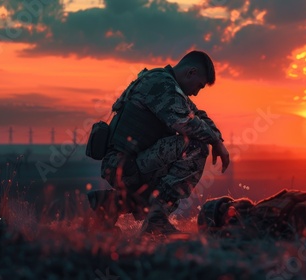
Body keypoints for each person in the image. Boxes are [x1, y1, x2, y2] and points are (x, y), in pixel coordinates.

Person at [88, 50, 230, 235]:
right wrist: (214, 142)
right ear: (191, 73)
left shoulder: (168, 86)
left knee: (170, 177)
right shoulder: (161, 84)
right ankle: (156, 220)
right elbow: (186, 123)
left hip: (127, 164)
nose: (196, 92)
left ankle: (111, 204)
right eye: (199, 86)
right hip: (125, 166)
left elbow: (199, 116)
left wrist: (217, 139)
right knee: (197, 148)